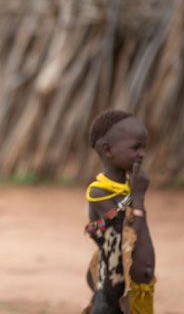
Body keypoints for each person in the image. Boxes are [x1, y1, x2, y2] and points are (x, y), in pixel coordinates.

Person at [84, 110, 155, 314]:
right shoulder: (99, 192)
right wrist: (138, 198)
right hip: (114, 296)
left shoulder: (128, 189)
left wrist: (135, 194)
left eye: (144, 147)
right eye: (135, 147)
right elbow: (126, 238)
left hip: (137, 293)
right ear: (108, 150)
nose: (142, 154)